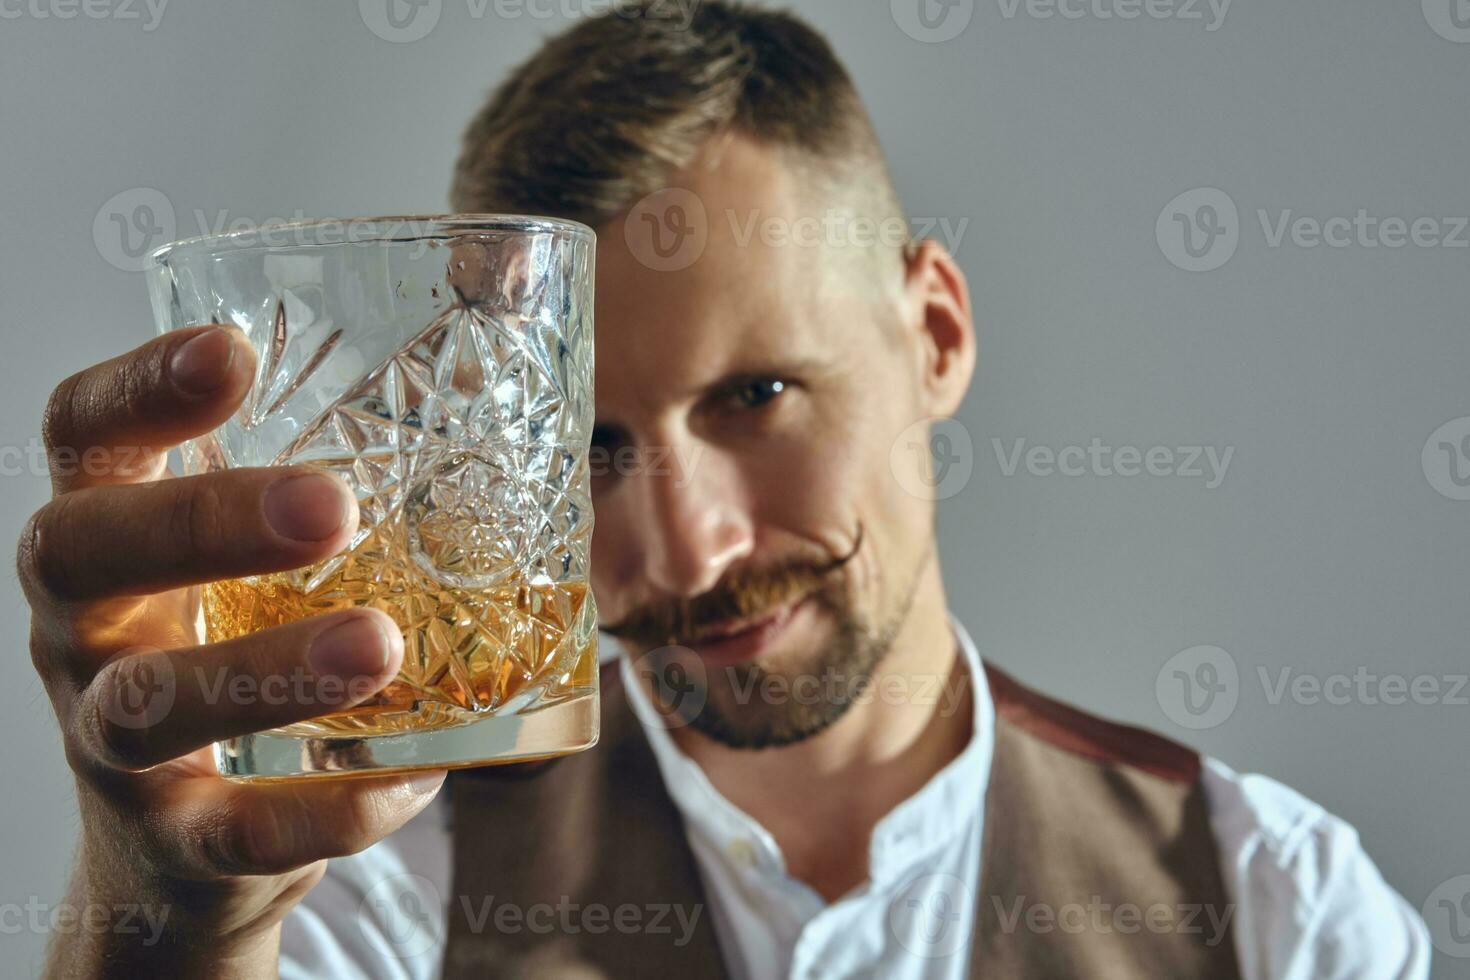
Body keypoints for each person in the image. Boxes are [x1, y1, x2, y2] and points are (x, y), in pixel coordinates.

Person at [24, 3, 1428, 977]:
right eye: (588, 448)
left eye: (753, 397)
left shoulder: (1274, 910)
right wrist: (169, 927)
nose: (682, 547)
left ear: (932, 332)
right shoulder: (375, 897)